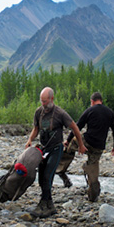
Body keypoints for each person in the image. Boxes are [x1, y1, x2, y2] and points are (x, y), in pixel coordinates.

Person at [24, 87, 87, 218]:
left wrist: (80, 145)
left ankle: (43, 204)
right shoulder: (38, 112)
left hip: (56, 149)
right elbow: (36, 128)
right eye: (41, 101)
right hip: (43, 149)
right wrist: (30, 139)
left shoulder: (60, 113)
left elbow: (75, 127)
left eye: (45, 101)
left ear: (52, 99)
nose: (43, 104)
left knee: (48, 176)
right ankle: (50, 205)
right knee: (41, 178)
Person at [56, 92, 114, 202]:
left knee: (70, 147)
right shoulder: (110, 112)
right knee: (93, 168)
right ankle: (93, 196)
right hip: (99, 146)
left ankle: (61, 171)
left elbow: (77, 126)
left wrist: (68, 140)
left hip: (87, 141)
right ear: (101, 101)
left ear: (92, 101)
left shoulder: (90, 110)